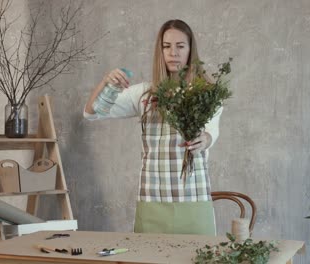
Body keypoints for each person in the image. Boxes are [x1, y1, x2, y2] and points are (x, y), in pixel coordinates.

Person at [84, 19, 223, 235]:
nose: (173, 53)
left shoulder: (206, 94)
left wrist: (205, 139)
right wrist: (106, 82)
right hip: (153, 203)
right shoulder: (144, 94)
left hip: (193, 199)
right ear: (160, 51)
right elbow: (92, 112)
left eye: (180, 46)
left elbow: (211, 131)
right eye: (166, 46)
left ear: (190, 50)